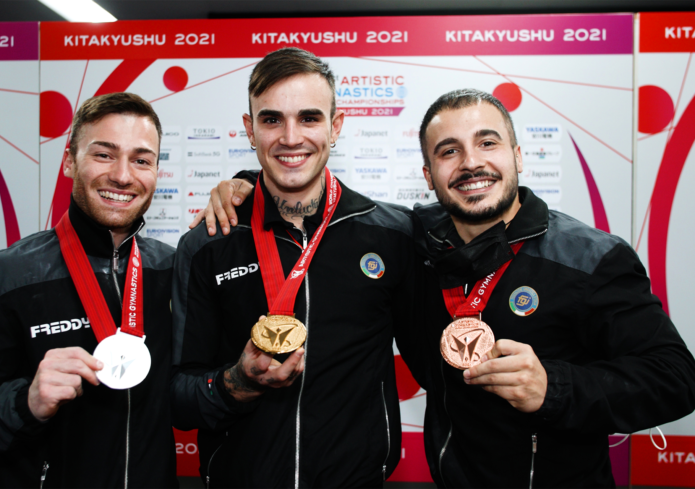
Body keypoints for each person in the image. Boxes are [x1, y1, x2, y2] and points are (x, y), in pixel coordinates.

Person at [194, 88, 695, 488]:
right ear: (428, 176)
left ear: (518, 155)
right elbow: (315, 203)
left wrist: (556, 387)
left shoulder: (590, 258)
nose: (471, 163)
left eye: (488, 142)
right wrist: (247, 185)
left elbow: (676, 378)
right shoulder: (415, 243)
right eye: (448, 152)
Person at [170, 48, 418, 489]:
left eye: (308, 118)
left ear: (335, 126)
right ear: (250, 130)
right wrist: (235, 383)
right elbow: (179, 396)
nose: (290, 137)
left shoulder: (392, 235)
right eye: (271, 120)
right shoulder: (208, 245)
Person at [0, 92, 178, 488]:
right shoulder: (5, 276)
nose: (124, 176)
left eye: (141, 160)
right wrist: (24, 403)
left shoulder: (172, 269)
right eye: (104, 154)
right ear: (68, 162)